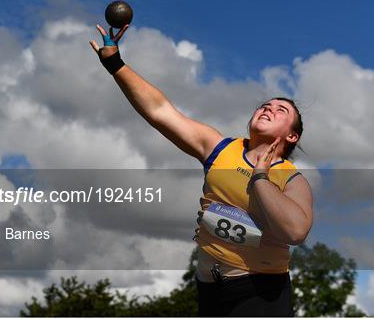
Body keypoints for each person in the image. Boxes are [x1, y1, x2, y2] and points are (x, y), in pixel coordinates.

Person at [90, 24, 313, 317]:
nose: (268, 108)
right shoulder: (220, 147)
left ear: (292, 136)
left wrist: (260, 178)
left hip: (261, 294)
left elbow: (296, 232)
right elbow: (160, 111)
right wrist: (114, 63)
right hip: (209, 288)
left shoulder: (291, 179)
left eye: (280, 110)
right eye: (265, 105)